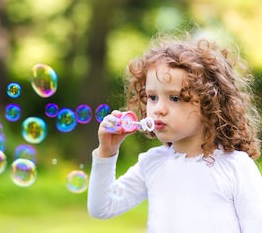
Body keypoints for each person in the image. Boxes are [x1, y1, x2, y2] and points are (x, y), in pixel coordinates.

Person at [87, 31, 262, 233]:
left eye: (175, 98)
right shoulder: (152, 163)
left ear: (210, 104)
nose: (158, 108)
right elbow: (102, 208)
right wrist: (106, 152)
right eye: (152, 97)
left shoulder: (235, 167)